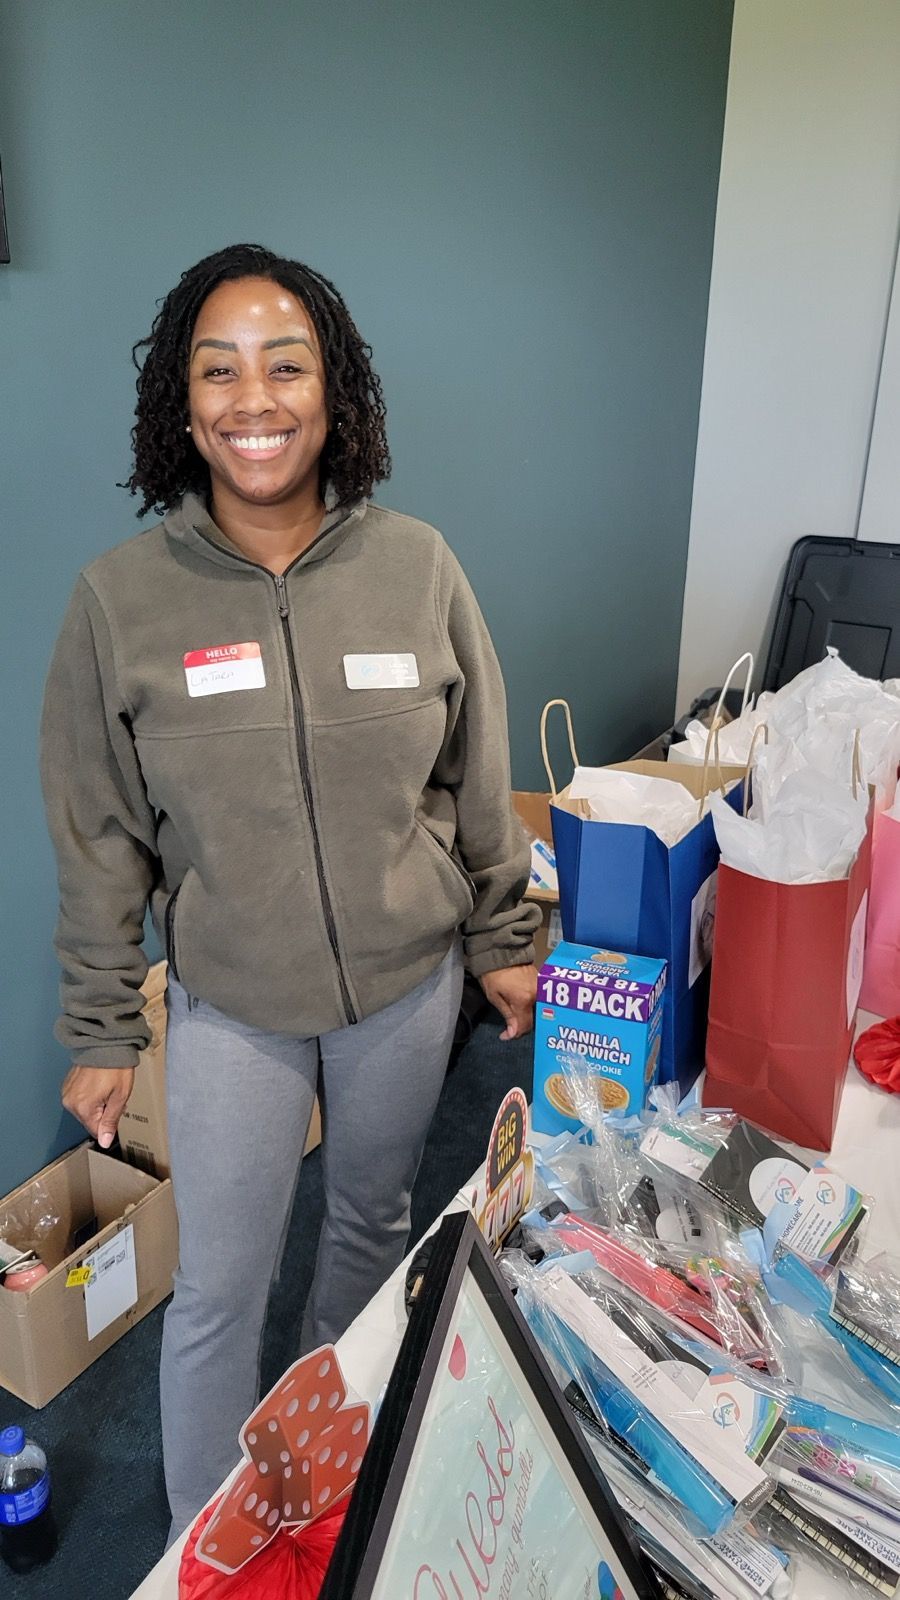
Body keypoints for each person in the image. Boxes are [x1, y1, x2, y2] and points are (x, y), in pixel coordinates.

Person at [39, 243, 540, 1536]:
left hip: (407, 985)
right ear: (182, 404)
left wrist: (501, 935)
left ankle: (332, 1480)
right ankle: (212, 1540)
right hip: (234, 1007)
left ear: (335, 391)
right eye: (218, 371)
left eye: (285, 363)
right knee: (217, 1287)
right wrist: (101, 1027)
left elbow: (478, 774)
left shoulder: (417, 566)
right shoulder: (121, 603)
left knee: (370, 1232)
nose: (252, 398)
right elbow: (99, 834)